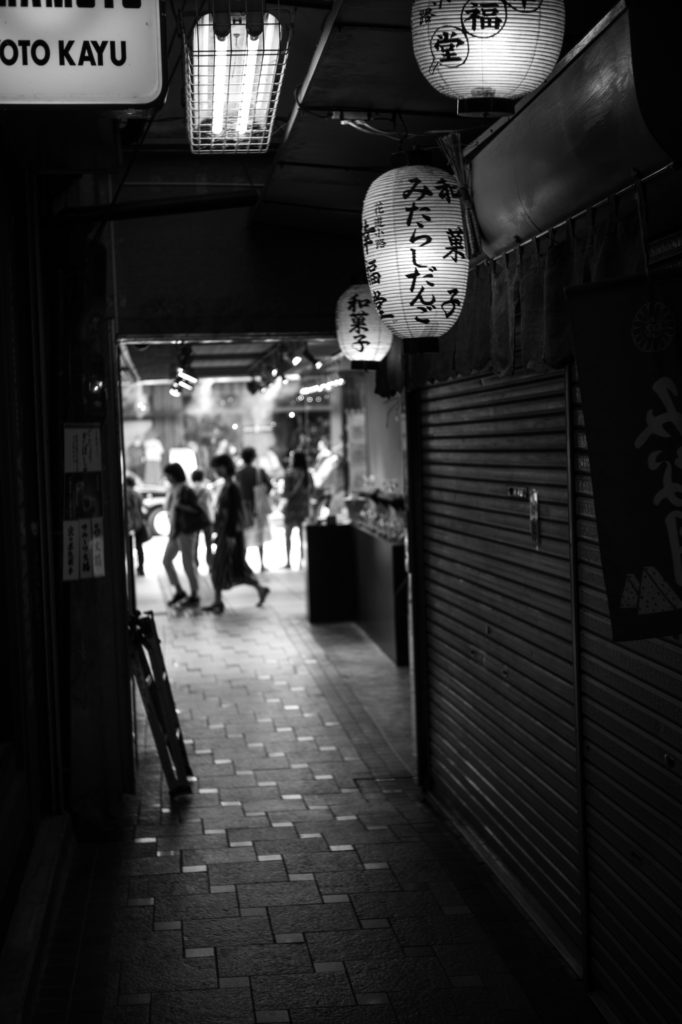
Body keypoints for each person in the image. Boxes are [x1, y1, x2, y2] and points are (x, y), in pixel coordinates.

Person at [204, 453, 270, 613]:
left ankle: (220, 600)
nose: (216, 471)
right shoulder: (229, 486)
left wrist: (230, 535)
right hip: (227, 533)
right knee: (227, 567)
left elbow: (233, 513)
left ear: (224, 467)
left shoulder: (232, 487)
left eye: (217, 468)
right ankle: (219, 600)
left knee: (229, 567)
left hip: (230, 534)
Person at [162, 462, 203, 608]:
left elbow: (197, 510)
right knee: (167, 560)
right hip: (176, 532)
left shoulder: (186, 490)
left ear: (173, 475)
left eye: (168, 475)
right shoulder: (174, 489)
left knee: (188, 563)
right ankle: (179, 590)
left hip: (185, 531)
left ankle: (194, 594)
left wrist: (181, 506)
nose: (167, 477)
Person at [236, 446, 272, 573]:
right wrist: (260, 496)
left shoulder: (239, 473)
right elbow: (269, 486)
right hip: (258, 507)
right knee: (260, 535)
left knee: (244, 537)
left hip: (244, 508)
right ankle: (261, 564)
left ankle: (243, 565)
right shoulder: (259, 472)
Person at [282, 450, 313, 570]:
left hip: (291, 507)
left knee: (288, 535)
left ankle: (288, 562)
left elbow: (286, 493)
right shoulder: (307, 474)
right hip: (303, 508)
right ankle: (302, 560)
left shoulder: (289, 474)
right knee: (302, 535)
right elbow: (312, 491)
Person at [191, 468, 214, 570]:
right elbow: (210, 504)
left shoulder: (190, 490)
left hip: (194, 519)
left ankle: (195, 563)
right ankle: (210, 564)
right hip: (206, 518)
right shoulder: (206, 490)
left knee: (194, 543)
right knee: (209, 543)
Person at [125, 475, 147, 576]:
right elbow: (141, 508)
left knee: (128, 546)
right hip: (138, 522)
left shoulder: (125, 493)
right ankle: (141, 567)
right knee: (139, 546)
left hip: (128, 522)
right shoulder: (137, 494)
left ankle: (129, 566)